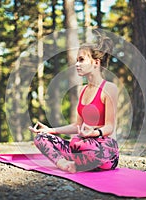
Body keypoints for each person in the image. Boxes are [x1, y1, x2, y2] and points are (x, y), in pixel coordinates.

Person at [29, 32, 119, 173]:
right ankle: (65, 164)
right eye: (77, 60)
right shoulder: (81, 90)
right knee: (41, 138)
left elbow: (109, 127)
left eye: (81, 60)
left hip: (104, 151)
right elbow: (77, 125)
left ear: (96, 63)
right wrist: (51, 130)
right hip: (82, 147)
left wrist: (93, 133)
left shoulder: (109, 88)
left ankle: (79, 162)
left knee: (81, 145)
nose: (77, 64)